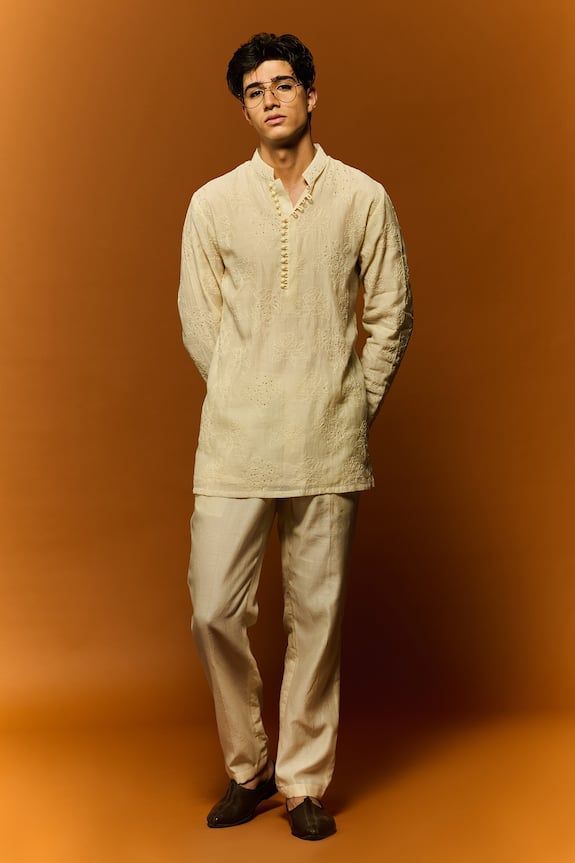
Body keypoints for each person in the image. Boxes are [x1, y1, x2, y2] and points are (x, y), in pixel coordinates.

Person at [177, 31, 414, 841]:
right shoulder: (213, 204)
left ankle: (304, 780)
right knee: (213, 607)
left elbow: (390, 314)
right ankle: (248, 767)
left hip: (327, 441)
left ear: (311, 95)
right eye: (254, 91)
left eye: (282, 84)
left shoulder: (362, 197)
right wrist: (243, 391)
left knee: (316, 617)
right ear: (244, 109)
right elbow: (198, 318)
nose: (269, 99)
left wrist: (349, 404)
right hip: (236, 440)